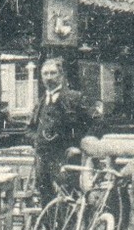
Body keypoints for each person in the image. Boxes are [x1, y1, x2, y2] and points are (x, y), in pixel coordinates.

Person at [30, 57, 94, 196]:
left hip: (66, 158)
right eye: (45, 74)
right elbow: (30, 129)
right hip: (43, 161)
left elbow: (96, 123)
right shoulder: (40, 103)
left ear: (61, 75)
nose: (49, 77)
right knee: (45, 199)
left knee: (68, 199)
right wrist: (37, 141)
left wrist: (79, 146)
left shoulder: (75, 98)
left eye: (53, 73)